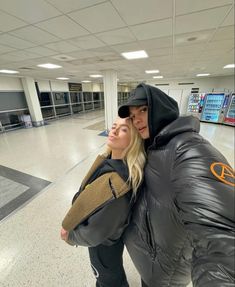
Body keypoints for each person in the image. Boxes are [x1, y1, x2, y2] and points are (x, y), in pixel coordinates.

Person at [118, 83, 235, 287]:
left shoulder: (188, 149)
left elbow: (221, 239)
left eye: (143, 110)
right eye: (132, 114)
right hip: (151, 263)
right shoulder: (153, 144)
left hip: (166, 275)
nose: (136, 119)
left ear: (160, 109)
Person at [60, 117, 146, 287]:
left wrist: (70, 236)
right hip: (103, 238)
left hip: (105, 244)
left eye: (123, 129)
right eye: (114, 126)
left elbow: (95, 233)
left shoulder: (119, 187)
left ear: (134, 140)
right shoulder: (109, 161)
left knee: (107, 277)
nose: (113, 130)